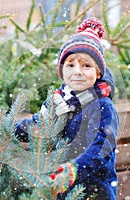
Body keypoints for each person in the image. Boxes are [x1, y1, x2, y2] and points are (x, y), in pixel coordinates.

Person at [15, 17, 119, 200]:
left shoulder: (102, 106)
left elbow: (101, 147)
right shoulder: (58, 102)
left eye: (86, 65)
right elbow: (36, 125)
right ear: (62, 71)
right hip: (61, 190)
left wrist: (75, 169)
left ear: (98, 72)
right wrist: (7, 130)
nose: (77, 71)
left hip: (94, 191)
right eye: (70, 65)